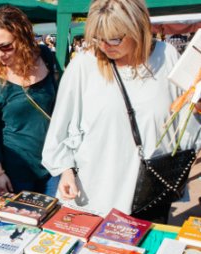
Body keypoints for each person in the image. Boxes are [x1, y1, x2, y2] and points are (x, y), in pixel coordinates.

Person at [42, 0, 201, 222]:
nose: (105, 45)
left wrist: (197, 107)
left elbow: (186, 127)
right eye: (98, 37)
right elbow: (60, 128)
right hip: (94, 197)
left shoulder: (167, 56)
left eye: (115, 37)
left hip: (150, 194)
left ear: (138, 28)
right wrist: (65, 169)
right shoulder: (84, 65)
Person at [0, 5, 58, 195]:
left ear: (22, 37)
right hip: (16, 172)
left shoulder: (45, 56)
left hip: (54, 165)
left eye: (6, 46)